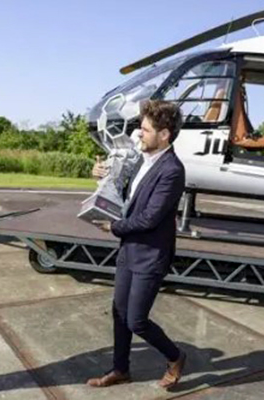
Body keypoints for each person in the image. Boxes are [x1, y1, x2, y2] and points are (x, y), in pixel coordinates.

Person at [89, 100, 187, 390]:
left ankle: (175, 357)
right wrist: (103, 177)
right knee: (119, 313)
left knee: (136, 321)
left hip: (150, 256)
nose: (139, 134)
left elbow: (150, 218)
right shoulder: (142, 160)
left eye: (145, 129)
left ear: (164, 135)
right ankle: (120, 369)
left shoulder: (172, 170)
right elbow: (125, 197)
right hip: (129, 251)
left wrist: (113, 227)